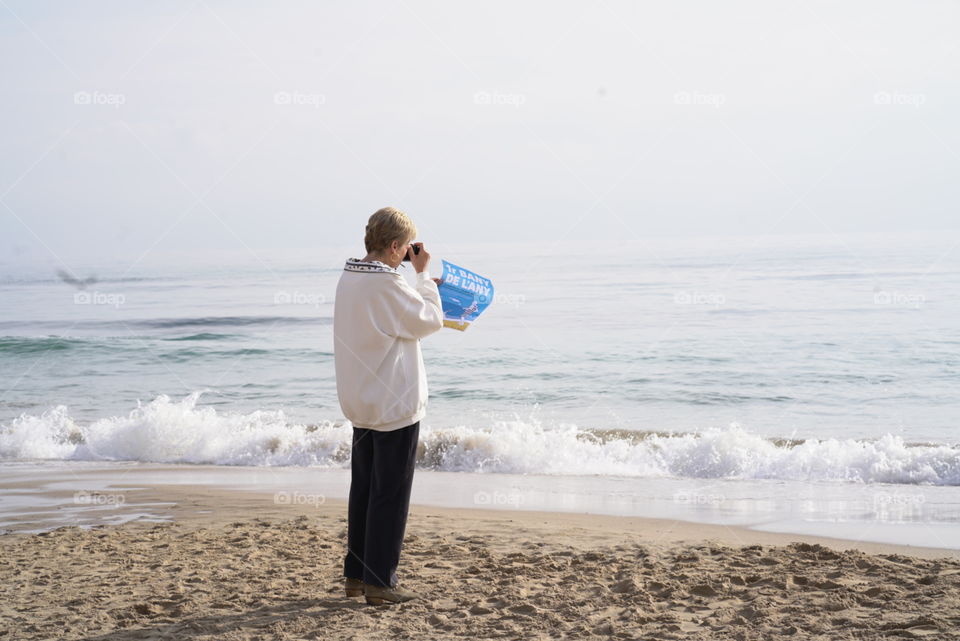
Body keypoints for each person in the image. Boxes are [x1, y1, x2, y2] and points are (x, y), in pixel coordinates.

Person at [333, 206, 444, 605]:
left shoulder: (350, 276)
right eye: (405, 248)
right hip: (393, 403)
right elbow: (429, 320)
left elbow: (393, 315)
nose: (407, 255)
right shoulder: (388, 284)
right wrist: (425, 274)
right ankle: (381, 581)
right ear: (396, 246)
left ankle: (357, 576)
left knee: (363, 489)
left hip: (360, 399)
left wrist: (410, 277)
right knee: (390, 494)